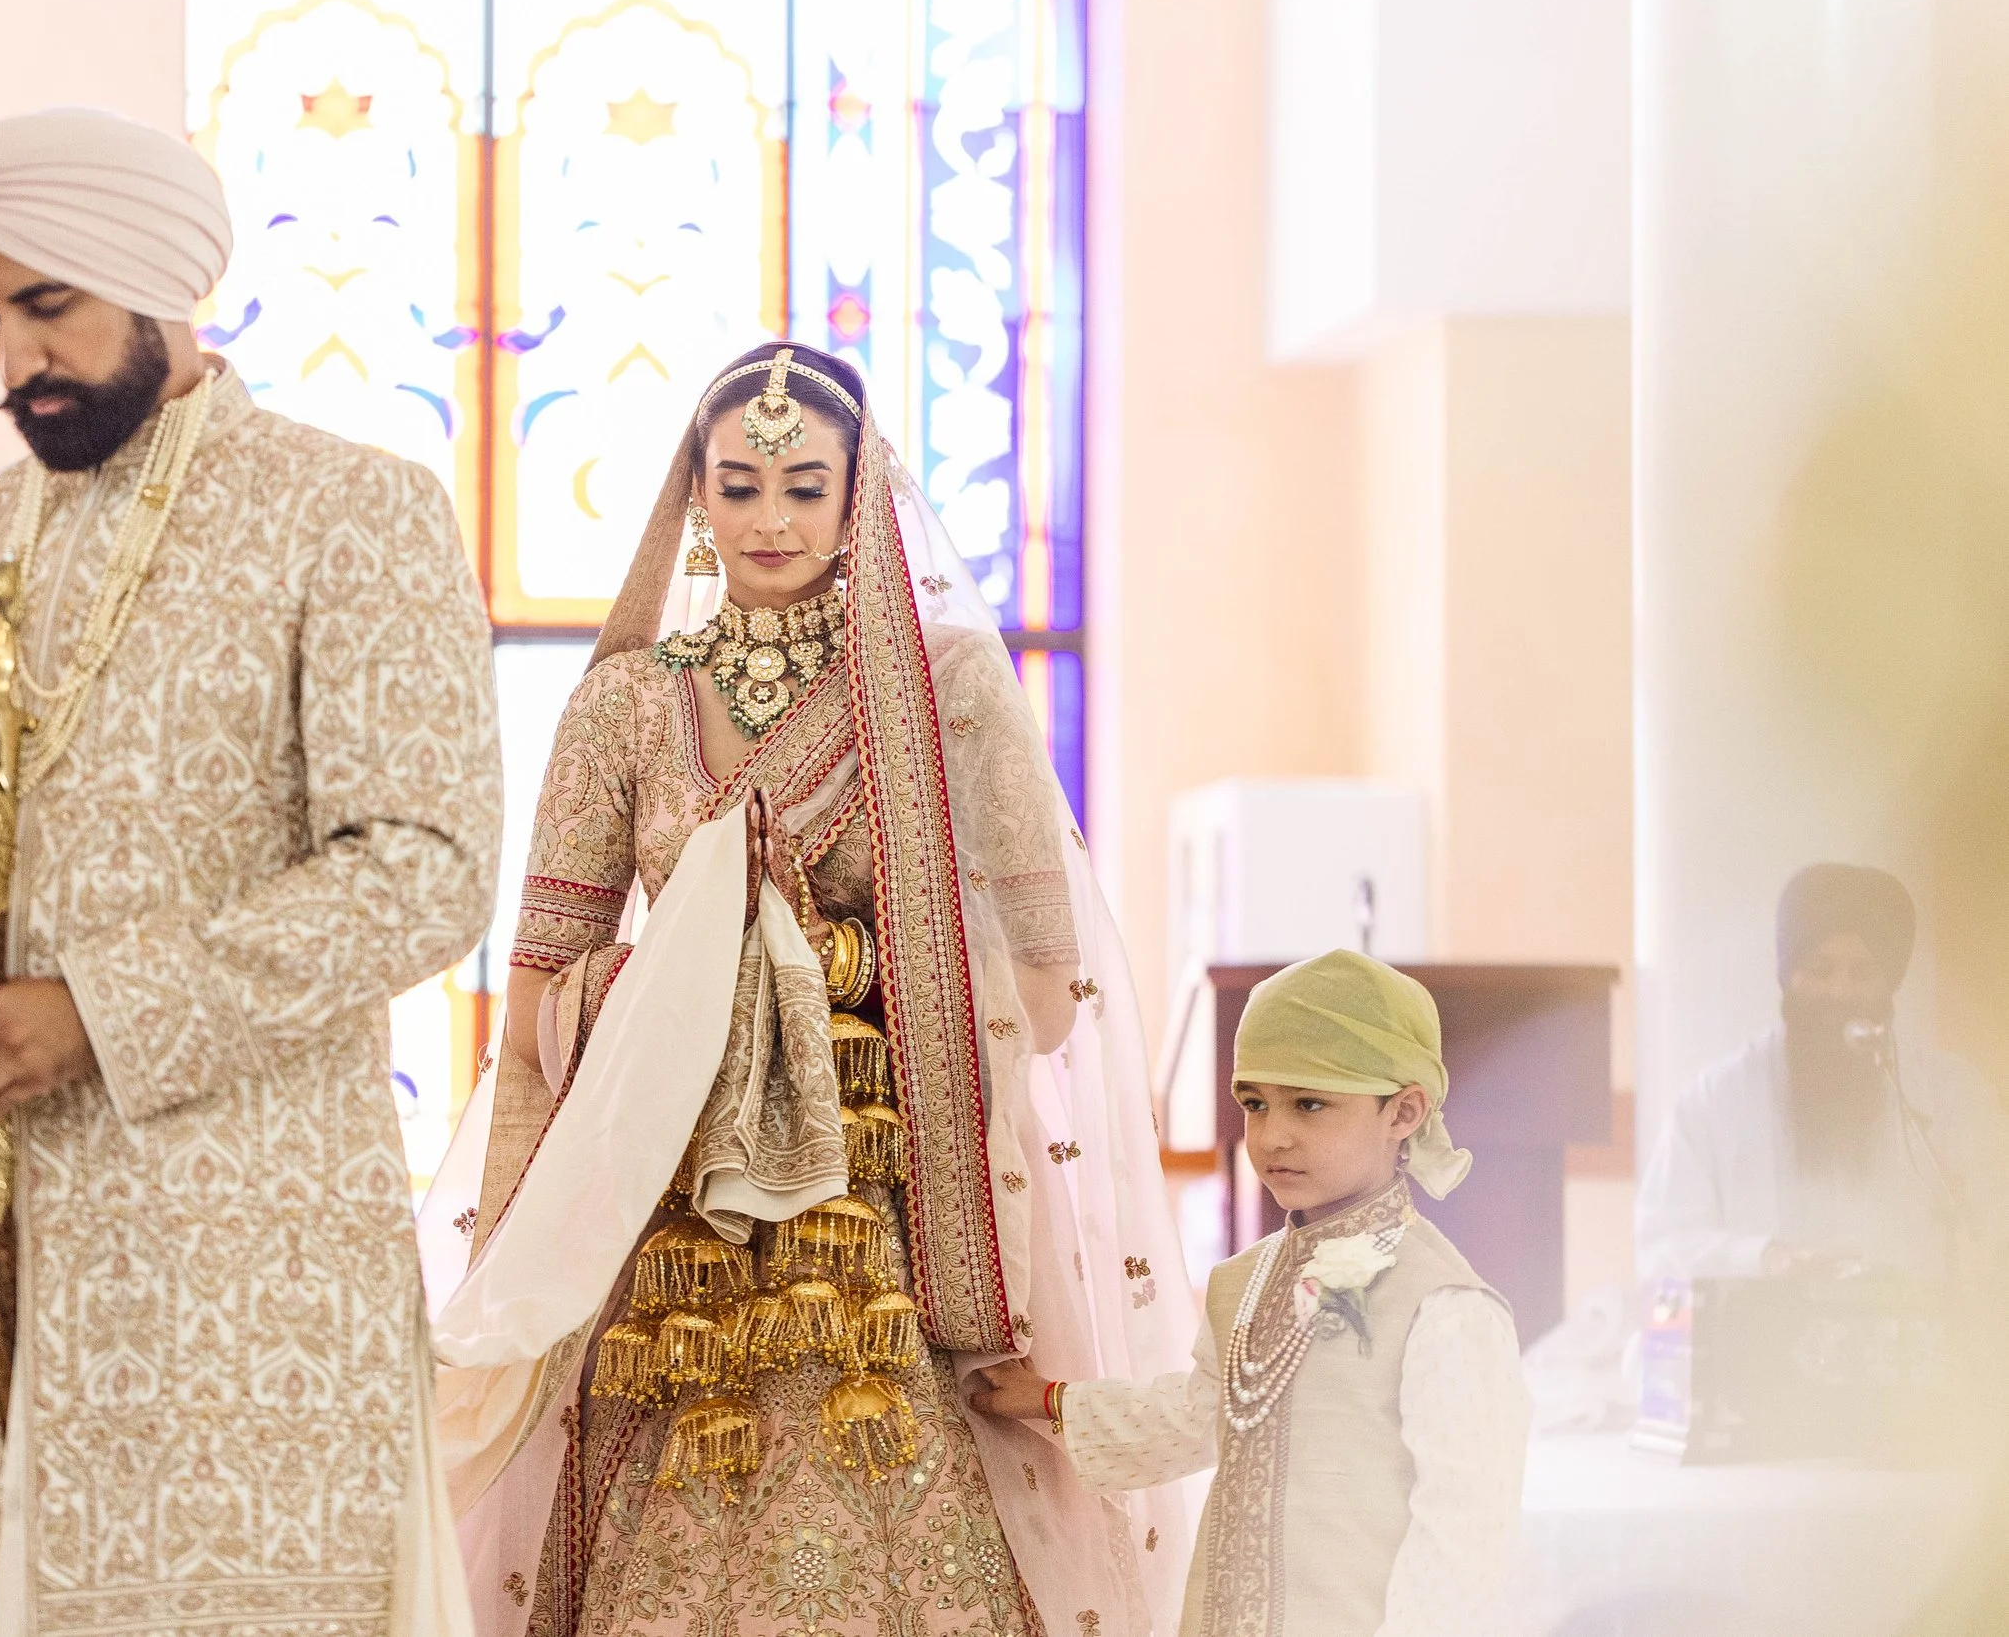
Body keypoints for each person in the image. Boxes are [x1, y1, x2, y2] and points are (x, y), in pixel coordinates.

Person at [0, 107, 500, 1637]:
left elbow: (427, 868)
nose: (13, 363)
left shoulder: (352, 510)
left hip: (244, 1266)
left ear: (161, 285)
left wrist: (93, 1011)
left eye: (48, 308)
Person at [417, 342, 1195, 1636]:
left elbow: (1049, 995)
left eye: (802, 484)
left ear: (858, 495)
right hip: (672, 1220)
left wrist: (827, 963)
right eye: (739, 483)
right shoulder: (624, 704)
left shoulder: (946, 690)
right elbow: (545, 987)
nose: (769, 517)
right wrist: (692, 969)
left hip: (885, 1216)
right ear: (697, 498)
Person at [973, 949, 1530, 1637]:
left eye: (1310, 1102)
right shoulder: (1245, 1280)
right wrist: (1050, 1399)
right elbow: (1196, 1416)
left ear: (1404, 1110)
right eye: (1255, 1103)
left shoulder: (1445, 1308)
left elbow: (1464, 1544)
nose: (1273, 1136)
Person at [1638, 863, 2004, 1281]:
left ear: (1891, 983)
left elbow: (1996, 1217)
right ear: (1788, 976)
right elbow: (1661, 1251)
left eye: (1863, 972)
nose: (1841, 992)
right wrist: (1766, 1258)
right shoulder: (1715, 1102)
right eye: (1821, 970)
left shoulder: (1951, 1095)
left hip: (1915, 1343)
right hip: (1763, 1342)